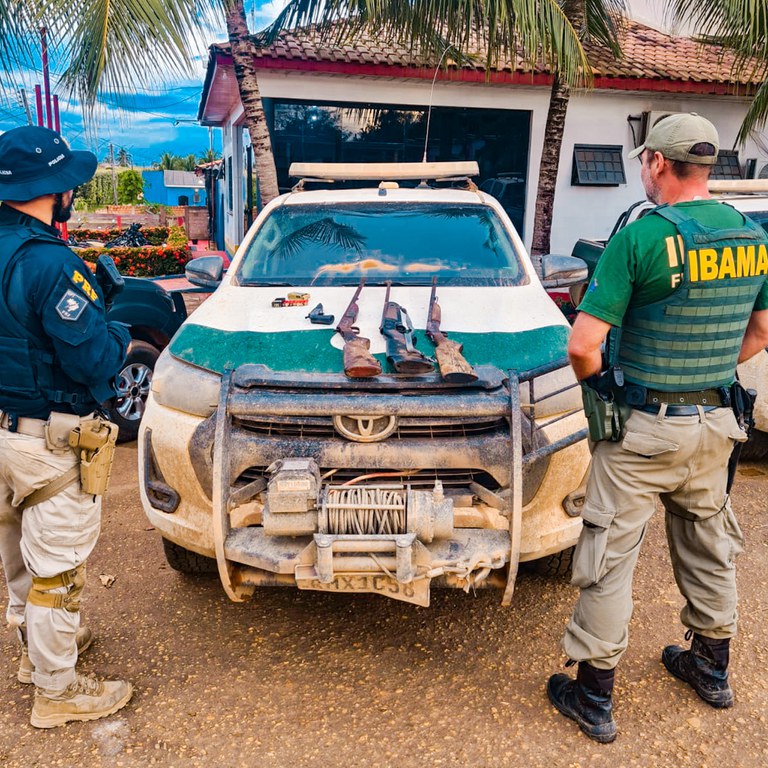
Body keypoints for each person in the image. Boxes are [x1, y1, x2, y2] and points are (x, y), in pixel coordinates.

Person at [547, 113, 768, 743]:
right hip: (716, 426)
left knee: (610, 554)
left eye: (645, 159)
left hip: (643, 430)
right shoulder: (752, 237)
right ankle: (712, 670)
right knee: (710, 545)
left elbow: (583, 345)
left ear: (658, 163)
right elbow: (761, 333)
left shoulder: (641, 238)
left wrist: (607, 388)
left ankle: (594, 696)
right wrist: (706, 377)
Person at [0, 125, 133, 728]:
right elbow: (94, 362)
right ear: (53, 189)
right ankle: (56, 690)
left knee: (18, 554)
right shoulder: (52, 263)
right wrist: (115, 326)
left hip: (6, 433)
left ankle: (35, 654)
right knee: (57, 568)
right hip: (47, 441)